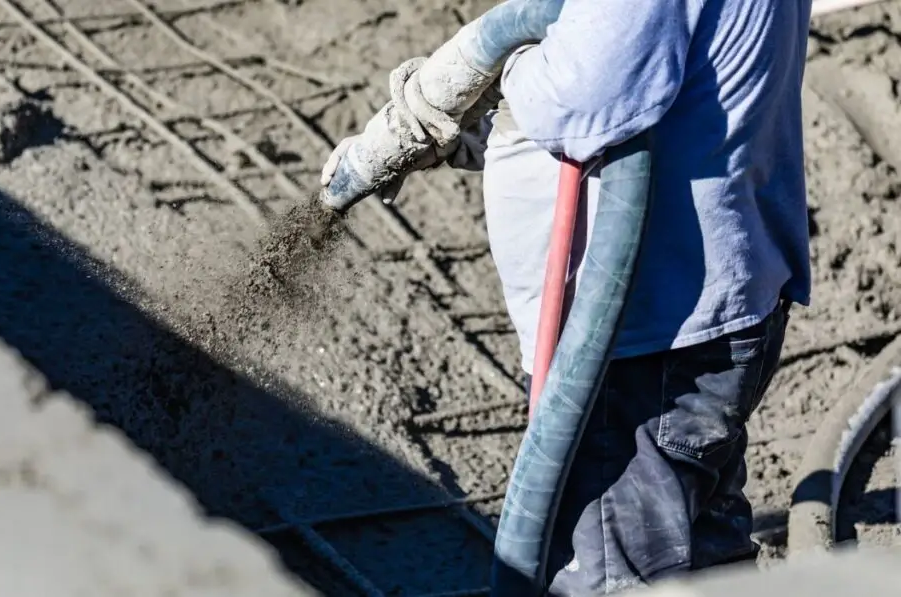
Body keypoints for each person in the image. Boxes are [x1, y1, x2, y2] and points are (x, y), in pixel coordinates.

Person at [322, 0, 813, 593]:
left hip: (644, 331)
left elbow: (590, 95)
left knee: (610, 571)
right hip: (708, 301)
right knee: (697, 549)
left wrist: (497, 69)